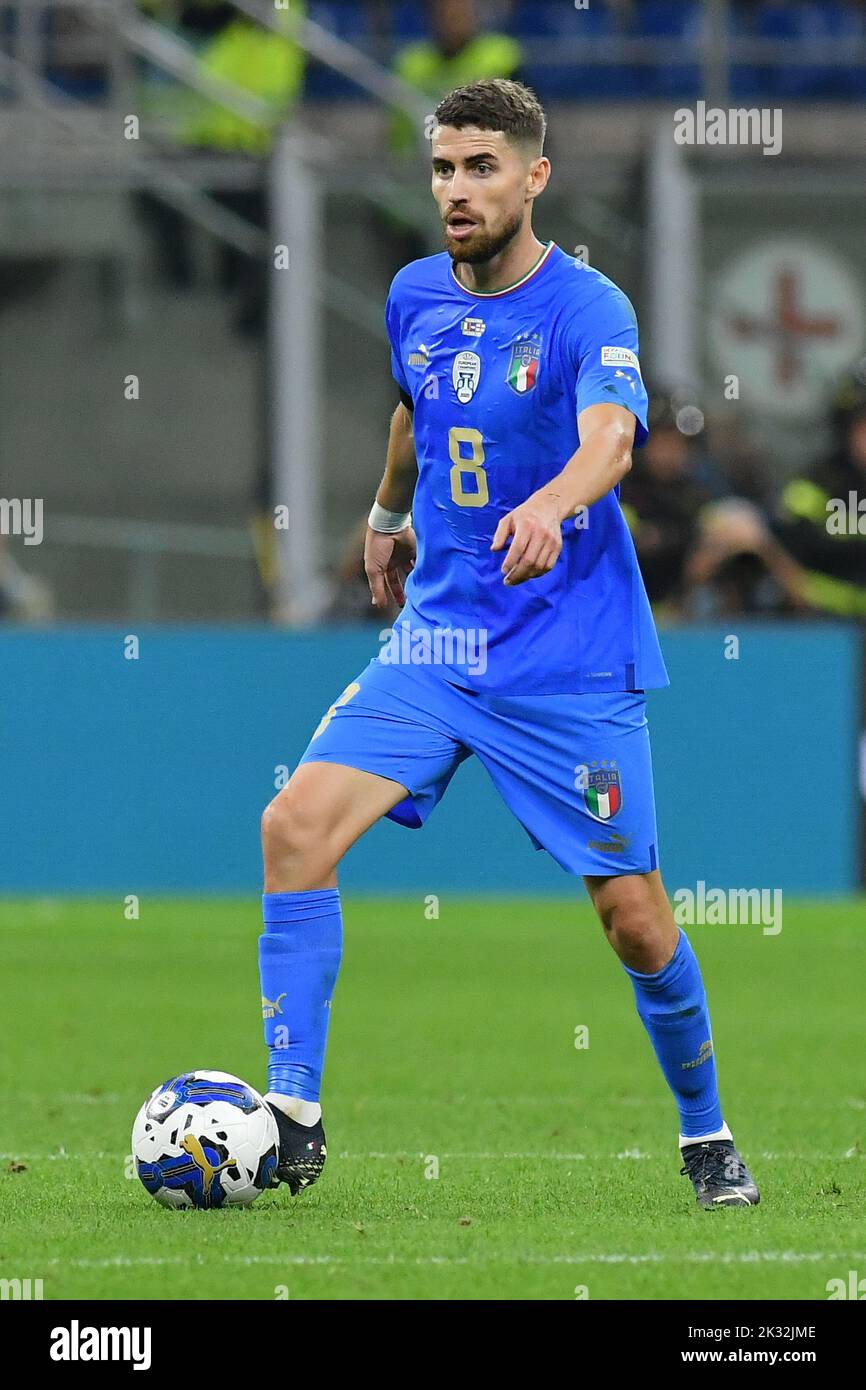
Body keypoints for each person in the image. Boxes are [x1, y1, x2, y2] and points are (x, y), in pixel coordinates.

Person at [257, 80, 759, 1210]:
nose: (454, 190)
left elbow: (612, 438)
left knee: (632, 917)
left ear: (534, 177)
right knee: (292, 826)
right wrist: (386, 519)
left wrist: (553, 504)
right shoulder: (412, 294)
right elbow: (412, 408)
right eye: (441, 167)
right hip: (436, 644)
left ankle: (705, 1132)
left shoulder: (588, 309)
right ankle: (291, 1111)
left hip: (564, 658)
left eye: (479, 167)